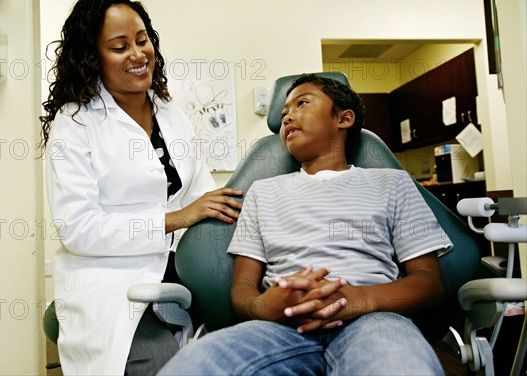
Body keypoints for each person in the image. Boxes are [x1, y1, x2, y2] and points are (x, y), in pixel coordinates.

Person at [158, 74, 453, 375]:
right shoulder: (263, 192)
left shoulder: (391, 184)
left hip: (373, 319)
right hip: (282, 326)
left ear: (344, 118)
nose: (288, 117)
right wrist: (266, 307)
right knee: (192, 366)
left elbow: (429, 284)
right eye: (284, 113)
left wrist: (358, 299)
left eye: (302, 104)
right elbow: (243, 288)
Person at [39, 0, 242, 376]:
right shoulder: (75, 123)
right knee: (162, 366)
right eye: (119, 47)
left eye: (141, 39)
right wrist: (173, 218)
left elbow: (200, 194)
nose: (137, 54)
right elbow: (78, 229)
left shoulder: (173, 114)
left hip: (181, 270)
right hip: (110, 284)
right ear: (92, 57)